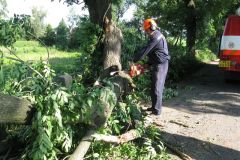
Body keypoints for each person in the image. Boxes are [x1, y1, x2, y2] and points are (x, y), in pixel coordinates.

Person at [132, 18, 170, 115]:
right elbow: (155, 52)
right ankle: (154, 107)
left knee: (157, 87)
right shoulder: (155, 36)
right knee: (154, 86)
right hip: (156, 63)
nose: (145, 31)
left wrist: (133, 60)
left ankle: (157, 111)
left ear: (150, 28)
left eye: (146, 29)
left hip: (161, 64)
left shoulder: (156, 37)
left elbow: (146, 50)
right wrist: (147, 65)